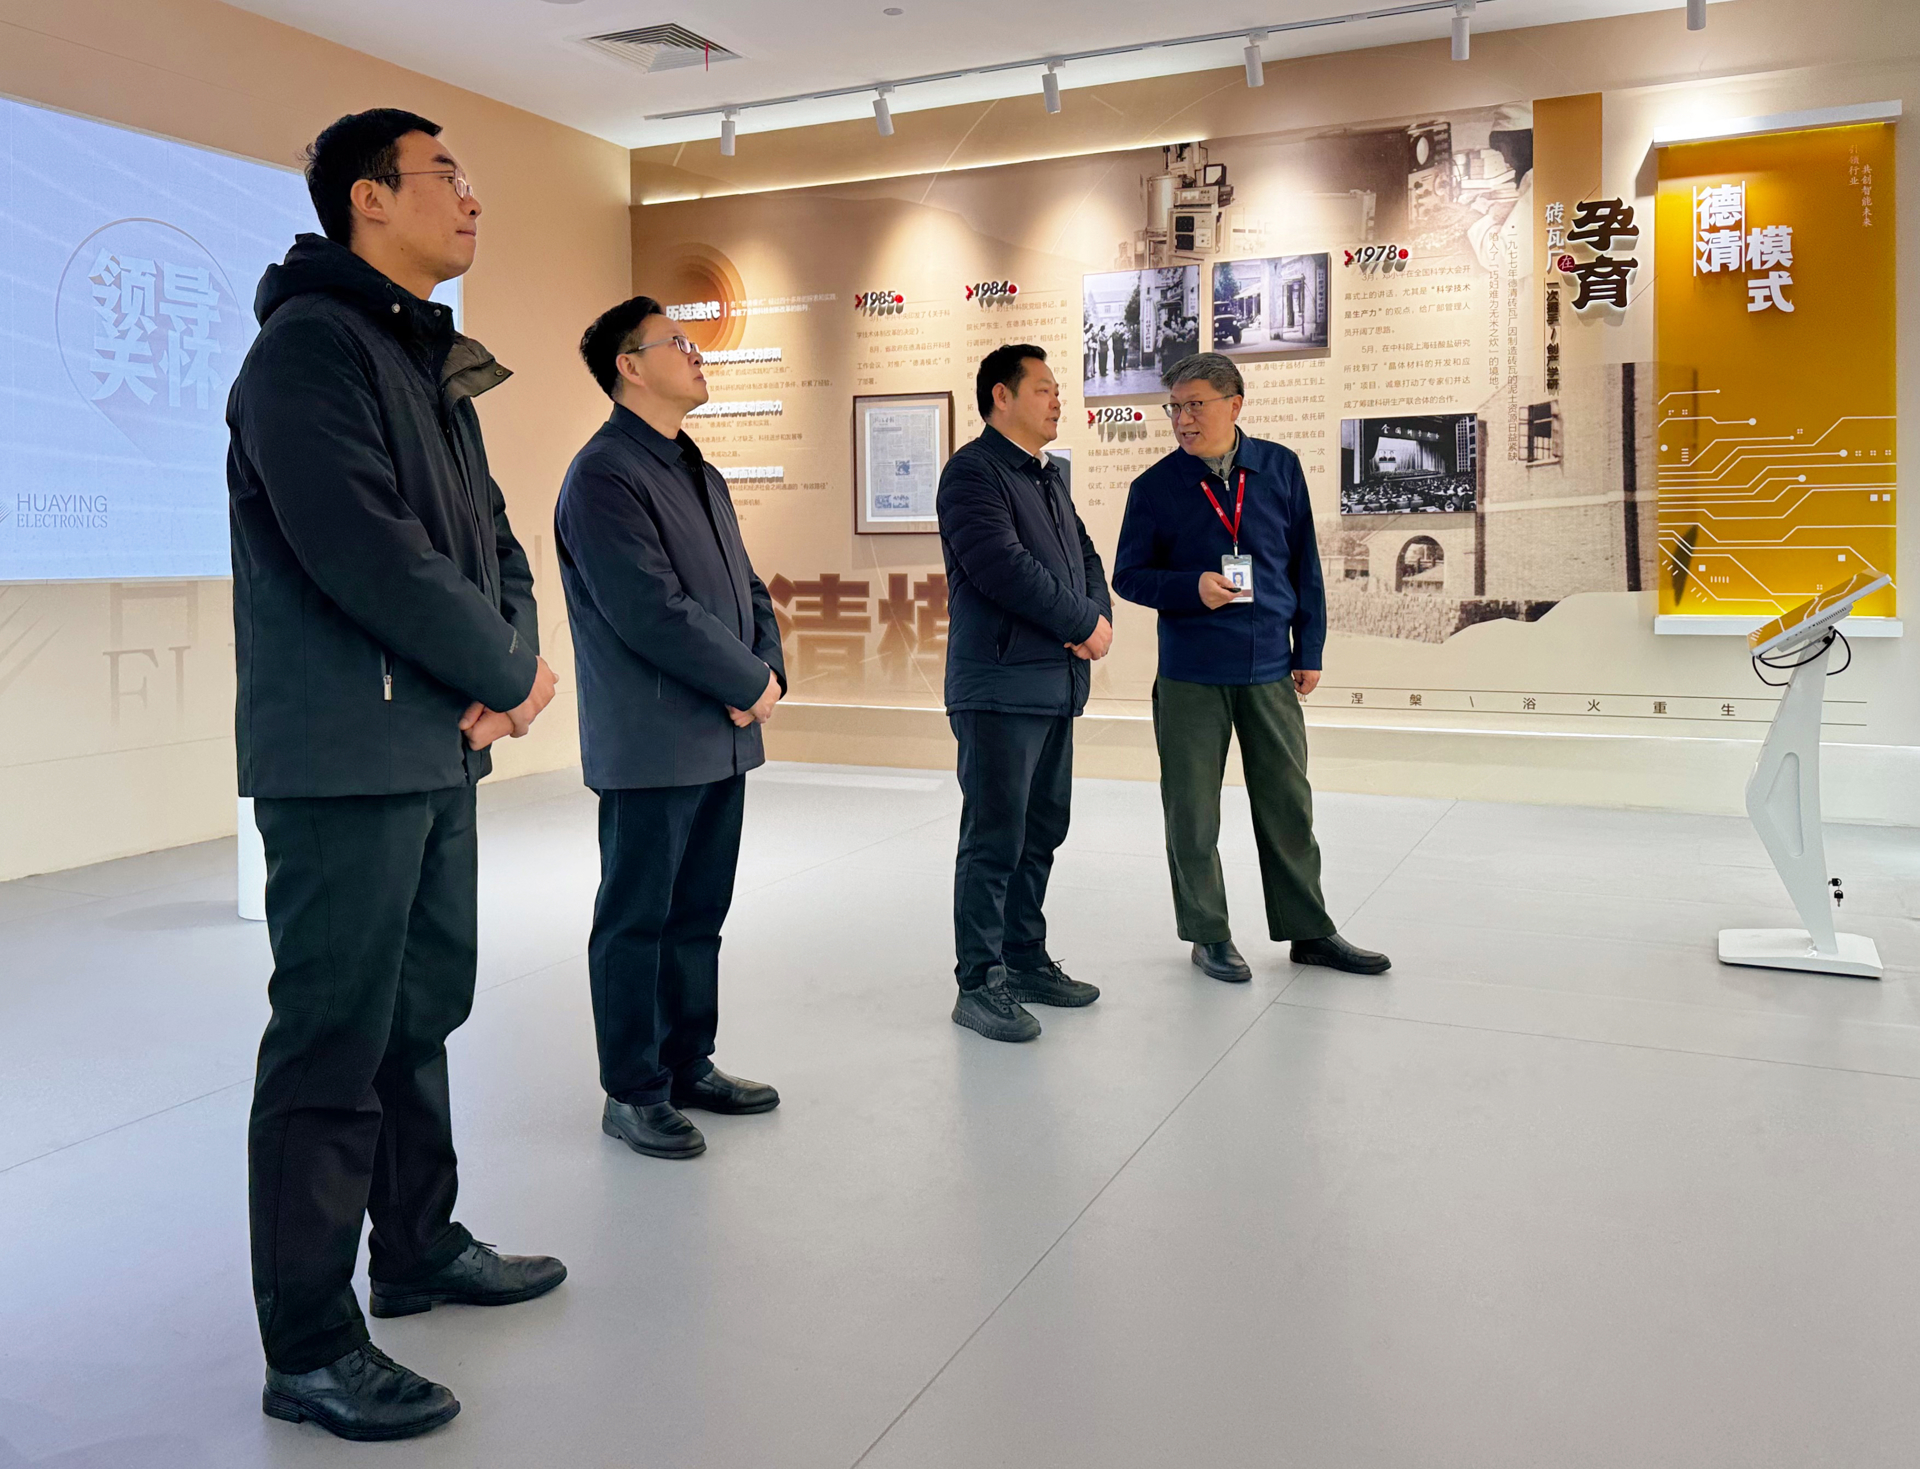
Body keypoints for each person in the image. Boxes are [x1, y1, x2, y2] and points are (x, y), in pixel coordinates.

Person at [228, 109, 565, 1443]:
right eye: (446, 174)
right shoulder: (307, 351)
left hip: (432, 741)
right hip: (343, 755)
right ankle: (310, 1346)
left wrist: (513, 662)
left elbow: (494, 544)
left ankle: (417, 1244)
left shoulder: (424, 361)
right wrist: (501, 667)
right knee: (331, 1043)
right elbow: (367, 550)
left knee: (419, 1011)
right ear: (369, 198)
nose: (471, 198)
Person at [555, 296, 786, 1161]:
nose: (696, 353)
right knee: (637, 918)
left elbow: (747, 588)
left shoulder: (697, 469)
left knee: (698, 913)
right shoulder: (603, 475)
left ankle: (689, 1061)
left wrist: (766, 670)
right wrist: (746, 680)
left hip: (719, 735)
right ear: (629, 366)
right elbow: (651, 609)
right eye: (677, 341)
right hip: (651, 741)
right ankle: (634, 1088)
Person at [1112, 353, 1390, 983]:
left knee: (1288, 805)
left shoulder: (1279, 468)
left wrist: (1309, 649)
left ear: (1234, 405)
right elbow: (1128, 576)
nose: (1182, 419)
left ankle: (1309, 930)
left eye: (1195, 405)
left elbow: (1304, 566)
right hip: (1191, 673)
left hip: (1269, 666)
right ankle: (1208, 934)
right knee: (1192, 813)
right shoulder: (1154, 487)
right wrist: (1190, 587)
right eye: (1175, 407)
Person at [937, 344, 1113, 1042]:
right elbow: (1001, 567)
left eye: (1056, 388)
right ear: (1001, 396)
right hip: (1000, 686)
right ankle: (979, 982)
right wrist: (1080, 623)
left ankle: (1025, 957)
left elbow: (1085, 556)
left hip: (1052, 685)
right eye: (1042, 388)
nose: (1056, 398)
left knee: (1042, 830)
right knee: (994, 838)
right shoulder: (972, 474)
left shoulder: (1046, 476)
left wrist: (1095, 618)